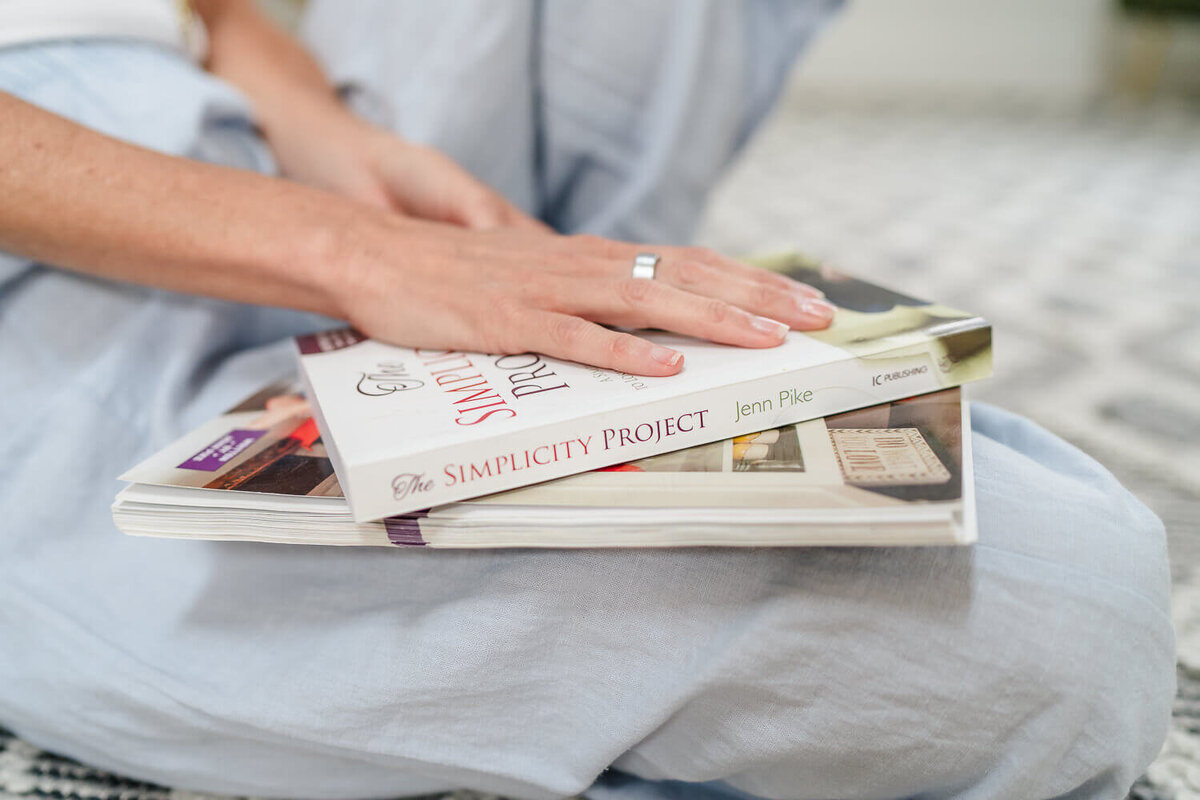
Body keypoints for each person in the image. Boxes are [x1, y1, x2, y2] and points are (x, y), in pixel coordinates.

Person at [0, 2, 1174, 799]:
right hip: (48, 261)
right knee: (1076, 617)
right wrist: (350, 252)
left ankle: (561, 323)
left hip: (218, 121)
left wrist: (328, 139)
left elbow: (209, 11)